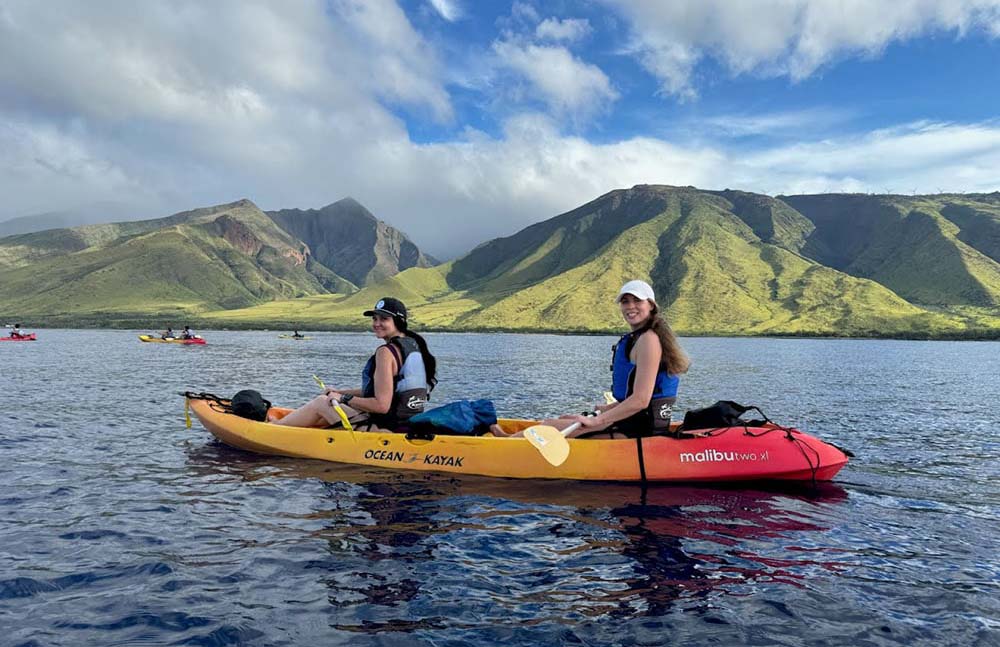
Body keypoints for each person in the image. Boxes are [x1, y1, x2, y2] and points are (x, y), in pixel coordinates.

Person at [495, 280, 689, 438]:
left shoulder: (649, 340)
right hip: (634, 422)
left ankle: (504, 445)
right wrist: (608, 409)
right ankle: (508, 439)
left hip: (637, 430)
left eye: (637, 301)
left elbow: (640, 401)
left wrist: (597, 420)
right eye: (625, 301)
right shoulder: (642, 337)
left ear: (651, 305)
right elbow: (637, 397)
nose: (630, 307)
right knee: (563, 418)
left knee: (547, 428)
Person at [274, 297, 437, 431]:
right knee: (329, 400)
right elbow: (384, 391)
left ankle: (272, 430)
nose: (376, 323)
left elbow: (381, 406)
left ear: (398, 322)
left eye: (384, 319)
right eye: (374, 318)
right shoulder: (414, 345)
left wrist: (344, 398)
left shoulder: (386, 352)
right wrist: (338, 392)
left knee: (321, 403)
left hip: (384, 431)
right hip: (406, 426)